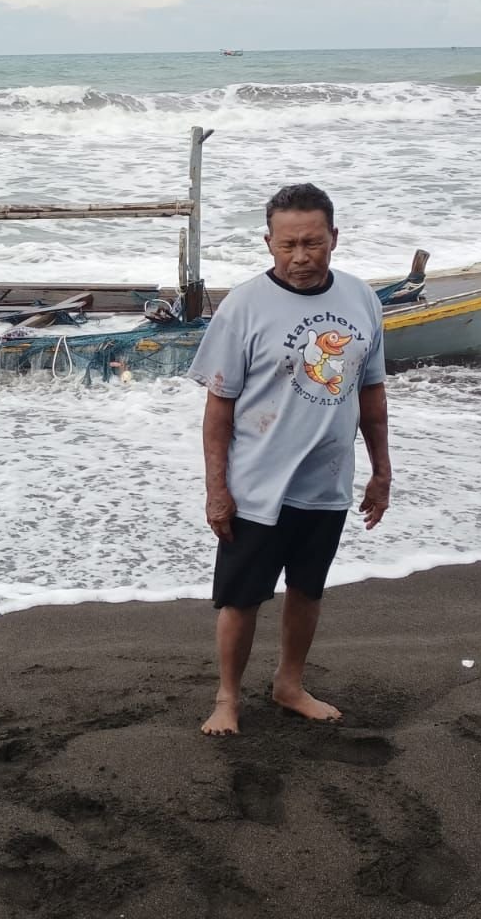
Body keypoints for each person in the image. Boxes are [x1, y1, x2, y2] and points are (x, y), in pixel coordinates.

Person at [188, 183, 392, 734]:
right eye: (287, 245)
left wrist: (381, 473)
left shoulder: (362, 300)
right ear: (269, 243)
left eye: (313, 243)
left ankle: (289, 684)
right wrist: (216, 490)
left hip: (327, 481)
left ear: (334, 239)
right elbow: (218, 410)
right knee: (242, 598)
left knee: (308, 589)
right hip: (257, 484)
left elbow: (371, 395)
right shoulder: (244, 306)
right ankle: (228, 699)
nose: (300, 257)